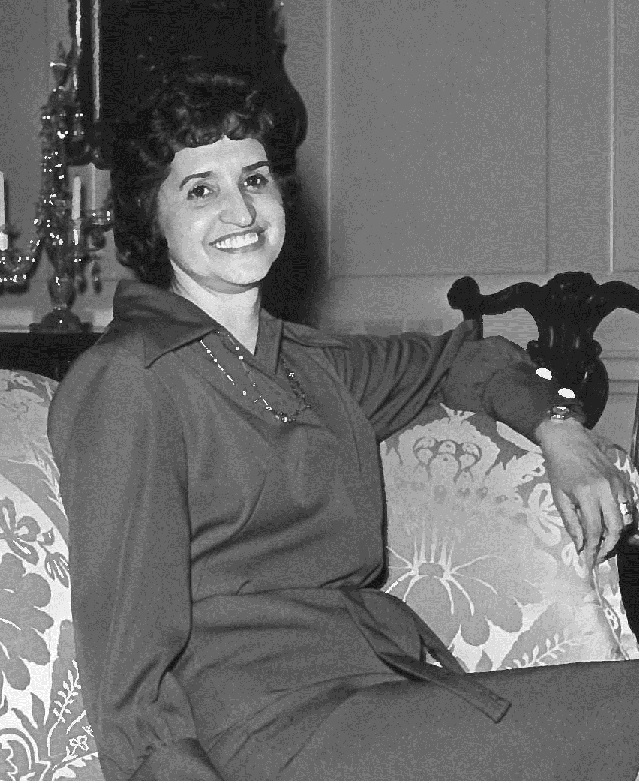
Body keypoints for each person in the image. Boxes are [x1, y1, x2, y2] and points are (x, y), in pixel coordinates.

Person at [48, 71, 639, 781]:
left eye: (255, 179)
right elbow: (127, 661)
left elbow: (464, 358)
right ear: (152, 217)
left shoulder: (311, 364)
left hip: (378, 693)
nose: (241, 210)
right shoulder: (130, 378)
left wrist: (560, 428)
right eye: (200, 189)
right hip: (258, 732)